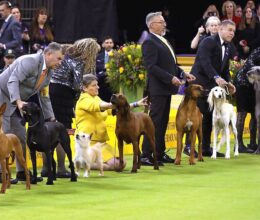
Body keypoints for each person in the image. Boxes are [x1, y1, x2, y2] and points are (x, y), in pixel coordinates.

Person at [0, 42, 64, 184]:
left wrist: (51, 117)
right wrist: (19, 101)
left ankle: (22, 171)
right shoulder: (29, 61)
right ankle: (0, 174)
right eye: (59, 59)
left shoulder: (49, 72)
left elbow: (44, 95)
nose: (60, 62)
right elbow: (13, 80)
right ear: (49, 54)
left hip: (15, 100)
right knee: (3, 134)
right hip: (0, 93)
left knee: (21, 134)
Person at [141, 11, 195, 166]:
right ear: (152, 25)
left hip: (166, 88)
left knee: (163, 122)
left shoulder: (163, 40)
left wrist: (183, 73)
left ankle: (158, 152)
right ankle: (145, 154)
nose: (164, 24)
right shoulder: (149, 42)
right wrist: (170, 78)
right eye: (161, 22)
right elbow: (151, 67)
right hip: (158, 88)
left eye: (164, 21)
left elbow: (171, 64)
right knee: (154, 122)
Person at [48, 38, 100, 177]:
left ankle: (47, 168)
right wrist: (80, 96)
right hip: (63, 95)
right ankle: (60, 168)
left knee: (50, 129)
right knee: (62, 131)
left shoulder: (65, 55)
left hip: (51, 90)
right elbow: (78, 84)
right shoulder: (78, 61)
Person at [75, 74, 148, 170]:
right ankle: (83, 162)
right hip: (88, 143)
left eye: (97, 84)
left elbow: (114, 109)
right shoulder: (84, 99)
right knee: (116, 164)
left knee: (122, 163)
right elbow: (98, 106)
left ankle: (87, 162)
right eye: (94, 85)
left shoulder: (96, 98)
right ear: (84, 88)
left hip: (101, 143)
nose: (98, 87)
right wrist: (112, 104)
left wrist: (136, 104)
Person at [191, 20, 237, 157]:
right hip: (199, 84)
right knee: (197, 116)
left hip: (212, 85)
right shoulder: (208, 41)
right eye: (229, 30)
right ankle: (189, 147)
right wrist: (216, 77)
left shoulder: (229, 46)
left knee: (209, 116)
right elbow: (205, 62)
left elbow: (225, 69)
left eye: (233, 31)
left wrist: (229, 83)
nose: (232, 33)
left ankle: (205, 148)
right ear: (221, 29)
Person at [233, 47, 260, 153]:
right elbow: (249, 63)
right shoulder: (258, 50)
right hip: (243, 82)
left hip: (255, 85)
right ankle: (239, 144)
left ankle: (253, 143)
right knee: (242, 112)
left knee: (255, 114)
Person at [96, 36, 114, 102]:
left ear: (113, 44)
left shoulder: (118, 55)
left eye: (110, 42)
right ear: (103, 45)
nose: (109, 44)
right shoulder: (98, 56)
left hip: (113, 85)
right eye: (107, 43)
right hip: (101, 86)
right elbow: (96, 69)